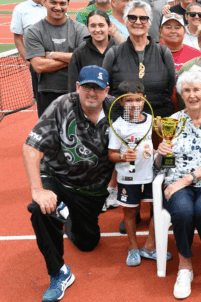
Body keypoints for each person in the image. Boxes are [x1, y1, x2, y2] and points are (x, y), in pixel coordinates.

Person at [24, 65, 114, 302]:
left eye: (97, 88)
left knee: (88, 243)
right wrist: (38, 190)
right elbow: (30, 147)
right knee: (39, 209)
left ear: (107, 91)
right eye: (86, 87)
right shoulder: (61, 105)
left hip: (92, 191)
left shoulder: (118, 109)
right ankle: (59, 273)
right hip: (57, 177)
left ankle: (67, 215)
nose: (91, 93)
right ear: (77, 87)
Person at [155, 66, 201, 301]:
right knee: (183, 210)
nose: (192, 95)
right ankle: (185, 267)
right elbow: (161, 167)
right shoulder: (173, 122)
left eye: (196, 89)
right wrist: (160, 152)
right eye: (186, 90)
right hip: (178, 182)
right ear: (181, 94)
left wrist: (185, 181)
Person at [107, 80, 169, 266]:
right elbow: (111, 155)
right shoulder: (117, 126)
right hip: (128, 177)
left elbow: (165, 132)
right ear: (121, 102)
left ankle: (149, 247)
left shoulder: (151, 120)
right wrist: (122, 157)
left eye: (138, 100)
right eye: (129, 101)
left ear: (145, 100)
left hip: (150, 176)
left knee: (156, 210)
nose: (134, 104)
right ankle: (133, 247)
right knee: (130, 213)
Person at [102, 0, 176, 120]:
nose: (137, 22)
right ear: (125, 21)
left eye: (143, 18)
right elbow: (106, 91)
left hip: (158, 122)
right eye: (132, 18)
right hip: (123, 123)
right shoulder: (113, 54)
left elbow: (170, 86)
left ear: (149, 23)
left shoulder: (163, 52)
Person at [25, 0, 89, 116]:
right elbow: (39, 66)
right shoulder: (33, 31)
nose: (58, 7)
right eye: (53, 2)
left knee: (75, 132)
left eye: (62, 3)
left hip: (76, 90)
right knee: (50, 134)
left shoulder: (80, 29)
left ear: (67, 4)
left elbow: (85, 58)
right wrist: (73, 58)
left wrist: (52, 55)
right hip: (47, 92)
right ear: (44, 2)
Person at [11, 0, 47, 104]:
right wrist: (27, 61)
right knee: (41, 101)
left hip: (57, 60)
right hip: (36, 63)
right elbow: (17, 38)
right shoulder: (20, 9)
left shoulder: (54, 5)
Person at [68, 10, 118, 92]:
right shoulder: (79, 53)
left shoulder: (119, 51)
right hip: (89, 101)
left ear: (109, 26)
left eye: (101, 25)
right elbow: (73, 87)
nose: (97, 30)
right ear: (87, 27)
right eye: (93, 26)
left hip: (114, 102)